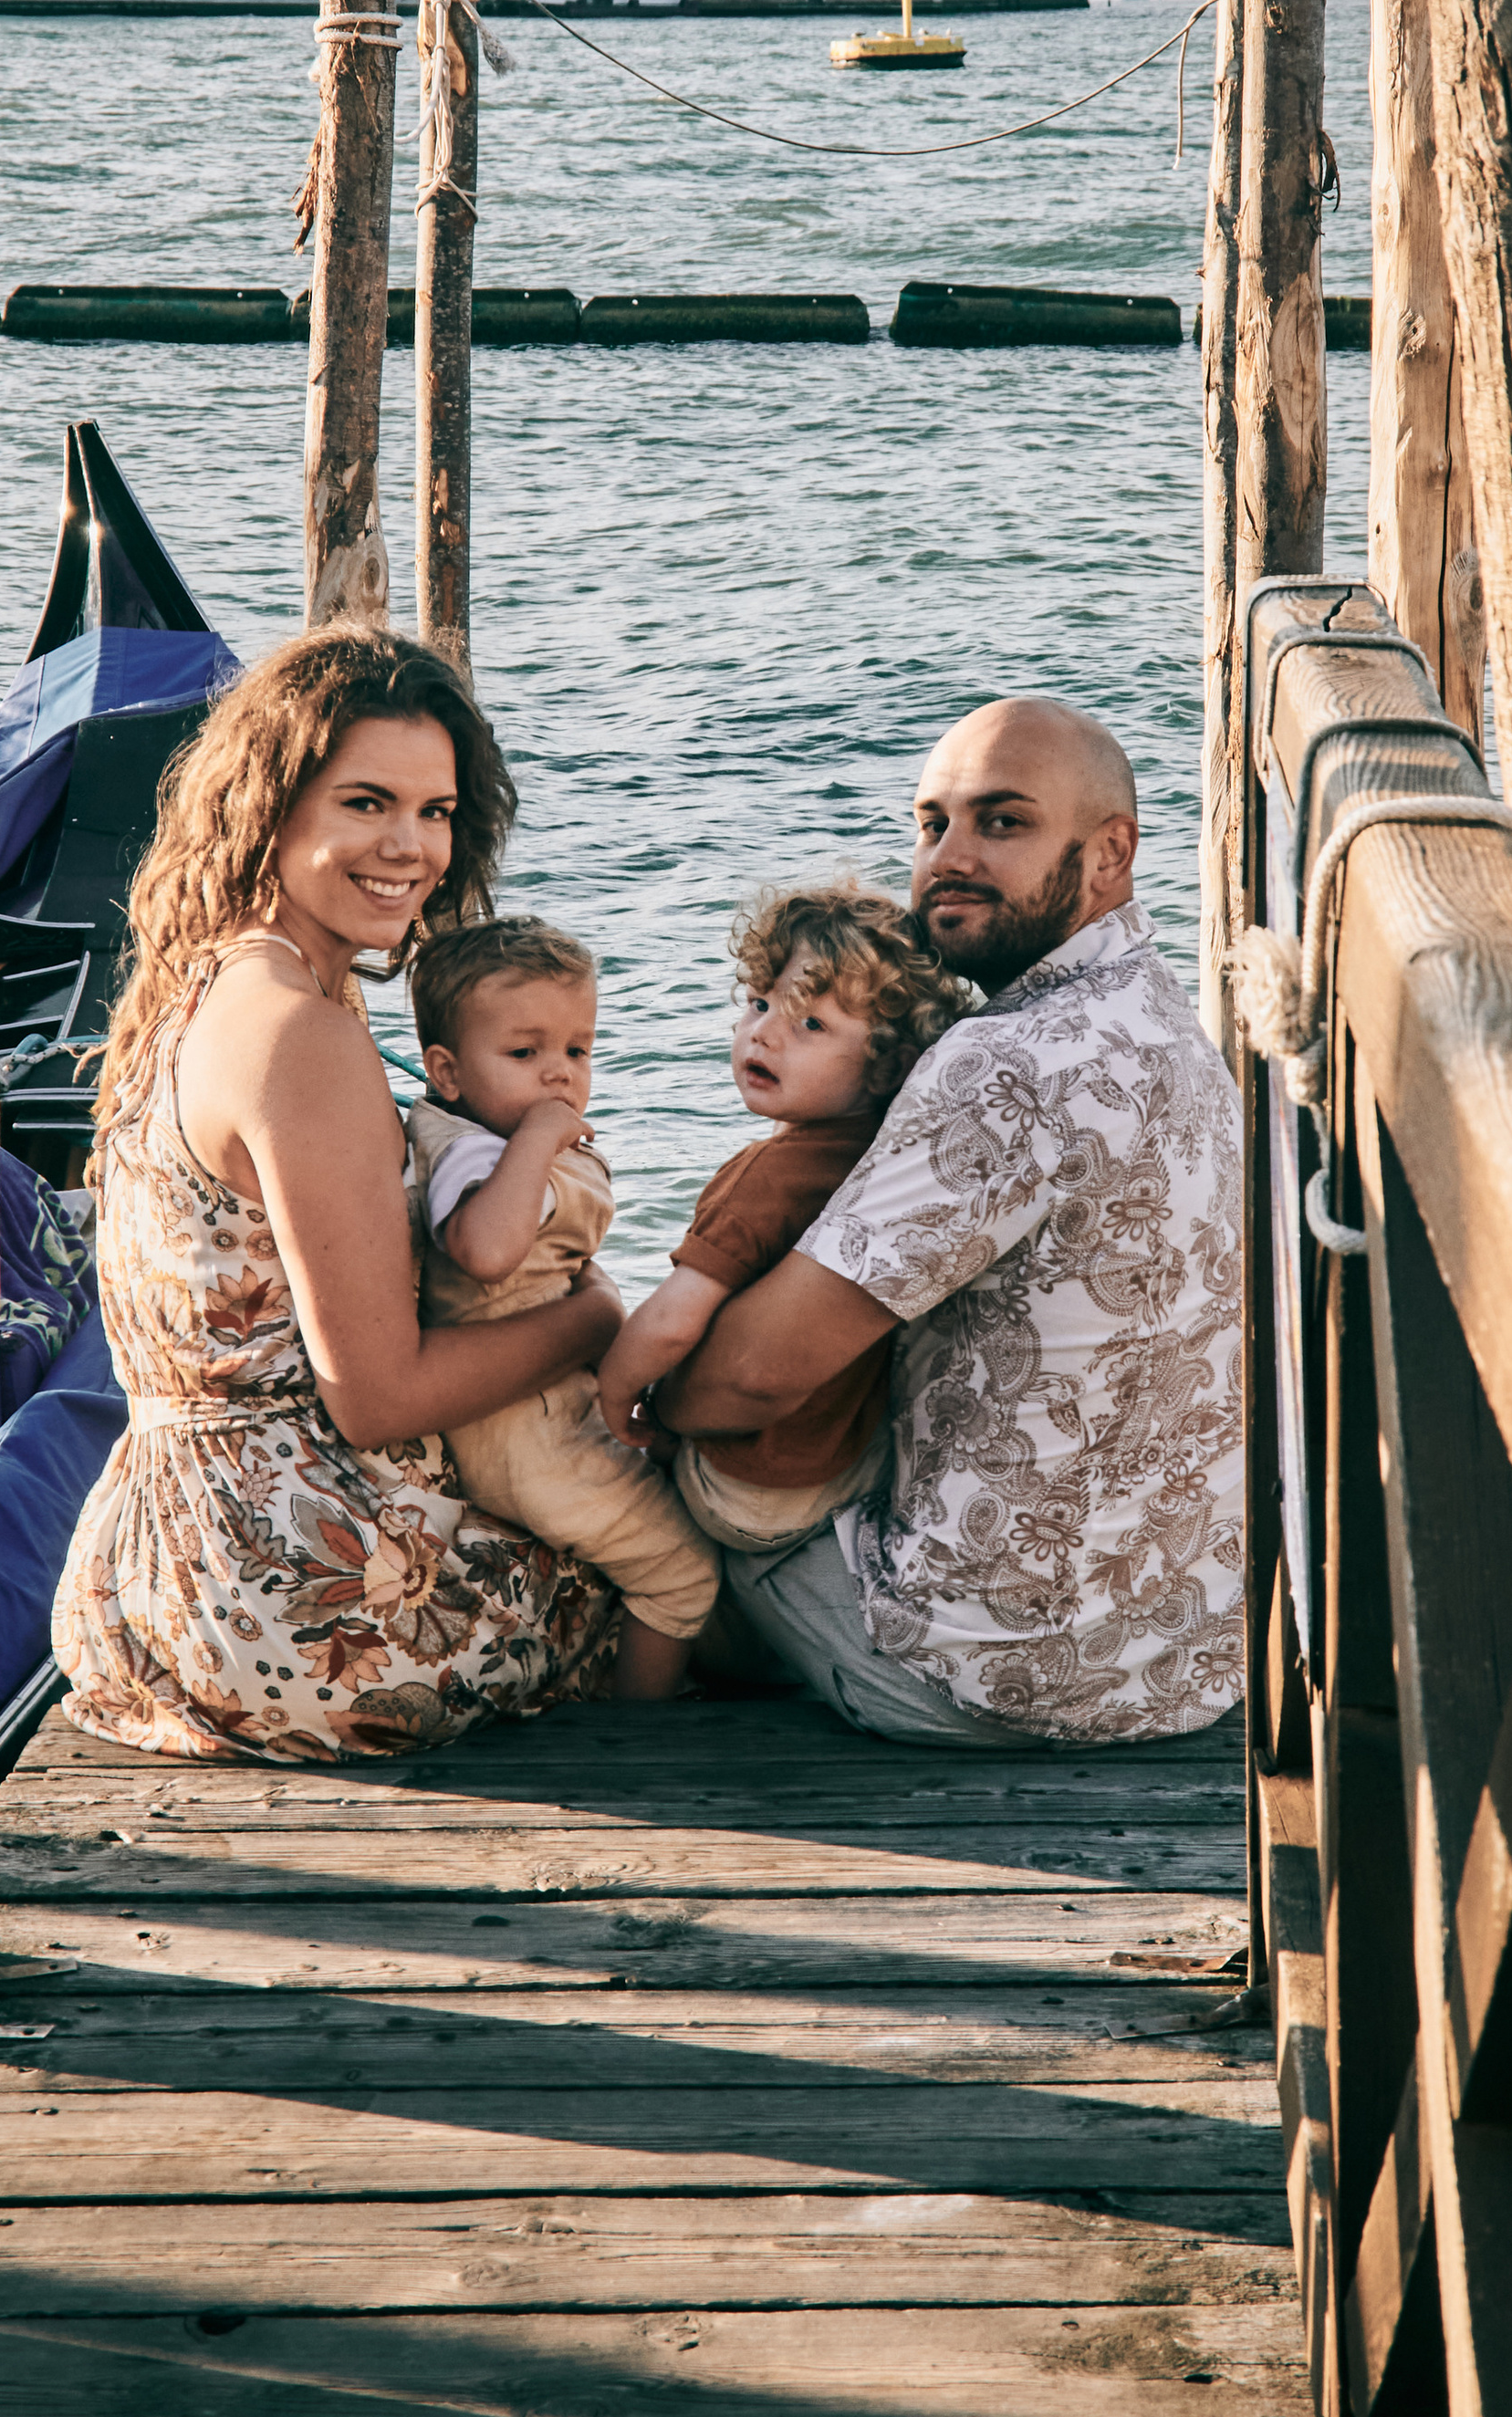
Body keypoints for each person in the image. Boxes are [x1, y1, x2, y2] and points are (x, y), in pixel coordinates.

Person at [52, 626, 626, 1760]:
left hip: (156, 1567)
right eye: (367, 803)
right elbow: (375, 1394)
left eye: (437, 812)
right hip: (305, 1604)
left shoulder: (208, 974)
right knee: (682, 1573)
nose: (410, 847)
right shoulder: (298, 1034)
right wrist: (596, 1321)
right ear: (271, 806)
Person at [654, 697, 1245, 1749]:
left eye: (1001, 823)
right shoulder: (1160, 1013)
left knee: (662, 1489)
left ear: (1110, 854)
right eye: (931, 824)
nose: (950, 857)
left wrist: (648, 1403)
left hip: (991, 1674)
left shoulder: (1000, 1064)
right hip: (1182, 1657)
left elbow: (752, 1377)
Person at [594, 880, 970, 1555]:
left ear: (888, 1067)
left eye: (810, 1024)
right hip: (849, 1467)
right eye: (759, 1003)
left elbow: (674, 1321)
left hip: (745, 1493)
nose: (763, 1032)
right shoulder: (891, 1161)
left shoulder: (762, 1177)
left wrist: (618, 1396)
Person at [405, 917, 716, 1702]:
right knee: (684, 1574)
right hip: (523, 1430)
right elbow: (485, 1249)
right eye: (525, 1053)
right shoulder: (476, 1153)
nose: (560, 1076)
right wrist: (542, 1139)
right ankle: (639, 1732)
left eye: (578, 1051)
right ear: (447, 1071)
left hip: (532, 1413)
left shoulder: (486, 1137)